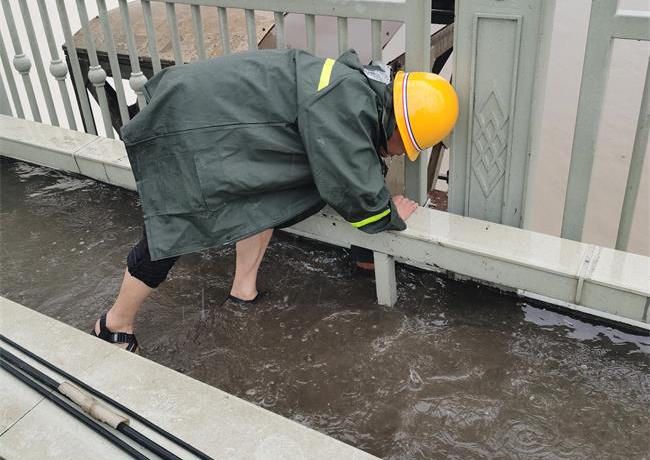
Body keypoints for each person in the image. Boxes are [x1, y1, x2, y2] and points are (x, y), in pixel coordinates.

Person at [91, 48, 459, 353]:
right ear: (398, 126)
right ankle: (114, 324)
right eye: (404, 147)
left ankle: (243, 289)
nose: (399, 155)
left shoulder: (359, 88)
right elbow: (355, 193)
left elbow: (344, 160)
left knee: (265, 190)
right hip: (192, 123)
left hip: (215, 110)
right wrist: (388, 213)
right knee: (175, 224)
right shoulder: (345, 107)